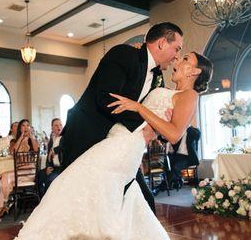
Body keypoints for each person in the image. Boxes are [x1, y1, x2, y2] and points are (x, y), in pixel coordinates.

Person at [0, 51, 213, 240]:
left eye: (186, 60)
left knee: (66, 188)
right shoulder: (161, 86)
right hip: (114, 142)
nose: (178, 61)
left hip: (123, 151)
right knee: (88, 205)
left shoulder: (190, 96)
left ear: (195, 73)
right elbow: (155, 124)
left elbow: (174, 134)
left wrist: (141, 109)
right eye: (179, 55)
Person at [60, 22, 183, 214]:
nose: (177, 56)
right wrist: (145, 123)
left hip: (119, 146)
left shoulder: (158, 75)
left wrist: (162, 123)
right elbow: (107, 99)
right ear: (161, 43)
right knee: (78, 202)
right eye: (176, 48)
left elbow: (151, 110)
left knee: (141, 201)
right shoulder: (124, 55)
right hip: (85, 138)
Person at [0, 119, 39, 204]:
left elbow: (37, 150)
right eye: (23, 125)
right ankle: (2, 204)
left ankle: (3, 203)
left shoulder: (32, 140)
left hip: (30, 173)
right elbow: (13, 151)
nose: (26, 127)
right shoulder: (14, 141)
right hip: (19, 172)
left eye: (28, 125)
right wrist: (21, 137)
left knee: (5, 177)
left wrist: (31, 136)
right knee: (3, 177)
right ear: (20, 128)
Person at [38, 118, 63, 198]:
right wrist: (48, 167)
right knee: (38, 176)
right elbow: (48, 155)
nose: (59, 127)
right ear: (52, 128)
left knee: (49, 180)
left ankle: (47, 202)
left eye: (60, 125)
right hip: (53, 167)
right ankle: (41, 199)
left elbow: (64, 147)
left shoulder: (64, 138)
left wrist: (54, 150)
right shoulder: (51, 141)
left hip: (61, 168)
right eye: (56, 125)